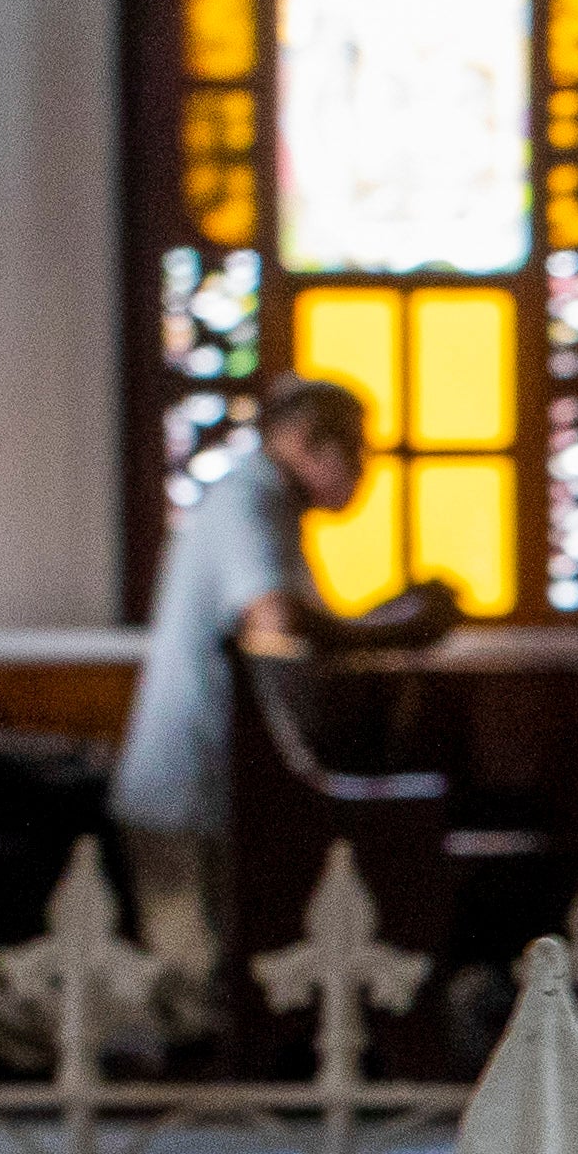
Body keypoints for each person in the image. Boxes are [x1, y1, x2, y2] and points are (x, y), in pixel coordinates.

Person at [107, 375, 455, 983]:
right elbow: (275, 620)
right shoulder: (248, 498)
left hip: (224, 788)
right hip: (188, 787)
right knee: (192, 988)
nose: (365, 467)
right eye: (354, 447)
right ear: (303, 440)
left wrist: (383, 619)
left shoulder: (275, 506)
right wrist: (392, 630)